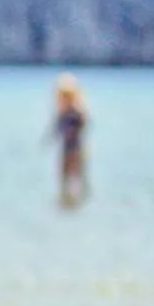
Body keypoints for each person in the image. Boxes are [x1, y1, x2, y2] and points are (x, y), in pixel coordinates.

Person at [51, 74, 89, 207]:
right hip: (67, 147)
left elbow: (83, 124)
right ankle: (66, 199)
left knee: (77, 173)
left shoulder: (76, 112)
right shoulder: (62, 113)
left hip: (76, 147)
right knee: (64, 174)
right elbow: (56, 129)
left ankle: (77, 199)